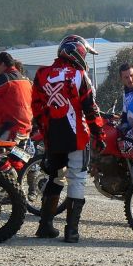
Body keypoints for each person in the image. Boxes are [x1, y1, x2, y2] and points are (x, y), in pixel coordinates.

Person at [32, 35, 105, 243]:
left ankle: (45, 226)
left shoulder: (41, 74)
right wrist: (99, 134)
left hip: (53, 136)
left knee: (55, 178)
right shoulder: (80, 75)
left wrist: (45, 130)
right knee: (77, 178)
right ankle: (71, 231)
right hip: (76, 135)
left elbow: (36, 107)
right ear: (77, 51)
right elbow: (90, 109)